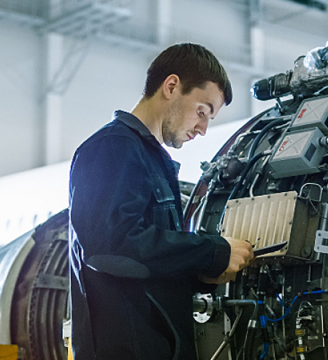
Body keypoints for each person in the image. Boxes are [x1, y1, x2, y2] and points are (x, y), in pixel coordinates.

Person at [69, 43, 254, 360]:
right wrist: (211, 251)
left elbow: (150, 263)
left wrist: (203, 273)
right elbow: (111, 246)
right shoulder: (112, 147)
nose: (203, 128)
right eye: (202, 111)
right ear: (171, 86)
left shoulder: (151, 160)